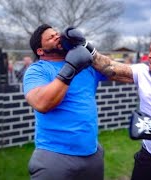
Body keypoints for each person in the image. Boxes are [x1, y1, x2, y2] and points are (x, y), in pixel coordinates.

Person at [63, 30, 151, 180]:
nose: (149, 55)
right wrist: (85, 45)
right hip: (148, 157)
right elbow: (108, 66)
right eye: (150, 50)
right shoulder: (143, 72)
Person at [23, 24, 106, 180]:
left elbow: (117, 71)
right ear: (40, 51)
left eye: (56, 33)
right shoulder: (38, 70)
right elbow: (41, 103)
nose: (57, 36)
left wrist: (88, 47)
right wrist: (71, 67)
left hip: (91, 152)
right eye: (50, 37)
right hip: (54, 156)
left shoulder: (86, 66)